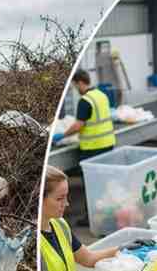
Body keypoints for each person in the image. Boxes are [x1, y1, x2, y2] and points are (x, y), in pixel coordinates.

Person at [50, 69, 116, 225]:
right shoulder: (101, 95)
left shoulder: (85, 100)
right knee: (104, 183)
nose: (75, 89)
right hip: (108, 144)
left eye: (74, 85)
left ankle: (91, 218)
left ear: (80, 82)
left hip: (93, 148)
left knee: (92, 184)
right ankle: (107, 214)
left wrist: (61, 135)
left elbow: (79, 125)